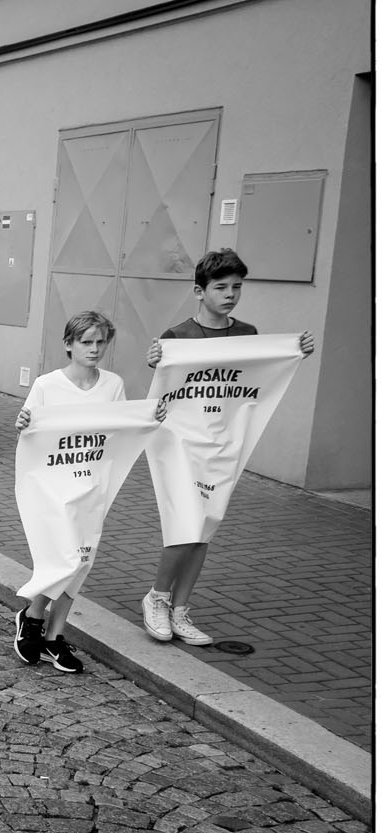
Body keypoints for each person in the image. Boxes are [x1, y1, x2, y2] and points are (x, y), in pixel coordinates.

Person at [139, 248, 316, 649]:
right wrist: (156, 361)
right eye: (220, 287)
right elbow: (165, 383)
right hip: (180, 443)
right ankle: (157, 597)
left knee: (204, 527)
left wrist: (295, 351)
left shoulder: (247, 335)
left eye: (237, 287)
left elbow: (261, 376)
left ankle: (180, 610)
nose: (230, 295)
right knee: (185, 522)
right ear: (199, 291)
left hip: (222, 444)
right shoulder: (177, 337)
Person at [12, 311, 128, 675]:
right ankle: (33, 616)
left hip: (91, 487)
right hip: (53, 487)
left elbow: (120, 430)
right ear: (69, 344)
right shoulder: (47, 385)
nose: (94, 349)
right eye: (86, 342)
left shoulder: (113, 385)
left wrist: (148, 417)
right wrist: (23, 423)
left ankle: (53, 636)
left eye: (100, 342)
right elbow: (28, 430)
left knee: (81, 563)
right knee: (64, 558)